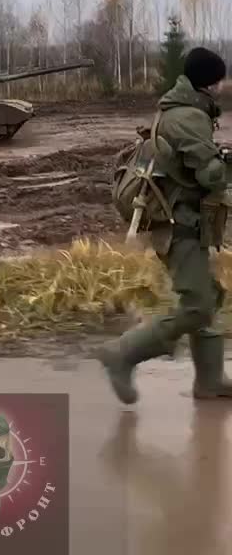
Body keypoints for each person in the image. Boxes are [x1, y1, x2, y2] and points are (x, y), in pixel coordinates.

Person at [98, 46, 232, 404]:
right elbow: (210, 176)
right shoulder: (189, 117)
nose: (222, 86)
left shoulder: (181, 109)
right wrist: (223, 164)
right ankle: (123, 353)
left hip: (183, 220)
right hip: (178, 225)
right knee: (198, 305)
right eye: (219, 80)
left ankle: (210, 381)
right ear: (209, 83)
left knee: (209, 294)